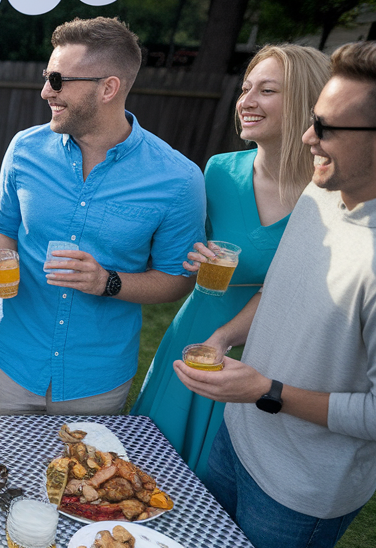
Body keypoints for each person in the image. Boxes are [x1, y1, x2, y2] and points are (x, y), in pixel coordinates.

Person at [174, 40, 376, 548]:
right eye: (314, 120)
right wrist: (225, 335)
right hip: (234, 441)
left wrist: (269, 390)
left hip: (299, 488)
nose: (309, 137)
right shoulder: (324, 187)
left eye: (329, 127)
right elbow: (281, 288)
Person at [0, 17, 205, 415]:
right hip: (11, 363)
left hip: (95, 381)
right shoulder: (24, 149)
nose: (46, 91)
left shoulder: (179, 179)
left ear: (108, 88)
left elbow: (176, 279)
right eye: (47, 76)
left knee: (83, 478)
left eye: (59, 80)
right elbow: (2, 229)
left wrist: (107, 282)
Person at [131, 45, 330, 479]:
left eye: (267, 90)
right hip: (197, 333)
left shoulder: (329, 196)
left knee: (226, 484)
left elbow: (302, 291)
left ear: (306, 101)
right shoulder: (219, 171)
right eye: (245, 88)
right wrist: (190, 256)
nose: (247, 101)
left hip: (266, 355)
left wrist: (226, 338)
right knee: (151, 469)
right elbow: (176, 256)